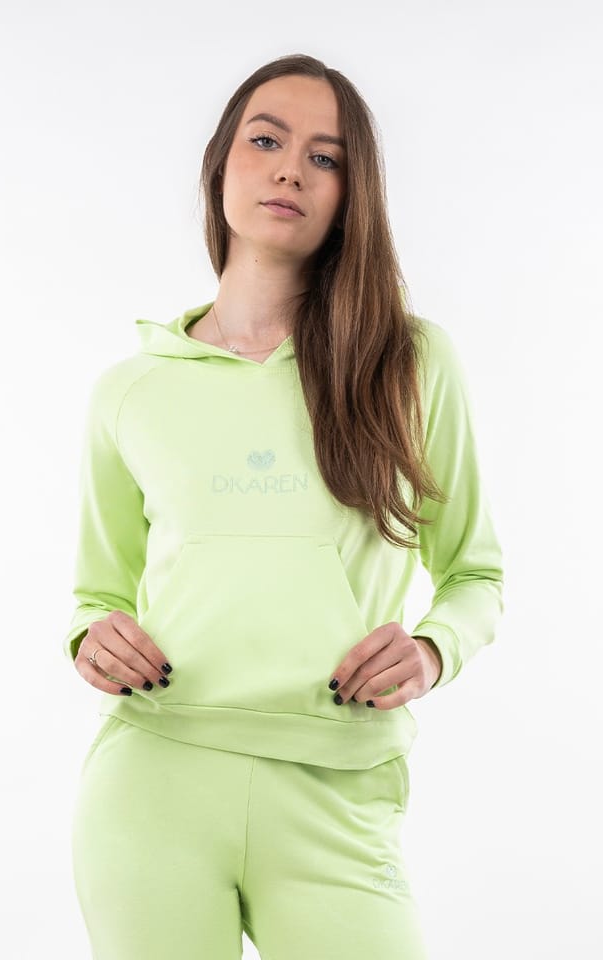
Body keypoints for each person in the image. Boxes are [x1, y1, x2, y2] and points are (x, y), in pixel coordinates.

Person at [63, 52, 504, 960]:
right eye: (266, 141)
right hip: (153, 784)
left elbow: (476, 575)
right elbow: (97, 594)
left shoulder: (410, 365)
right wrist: (89, 639)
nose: (291, 170)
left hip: (337, 790)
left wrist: (432, 650)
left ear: (351, 193)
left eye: (325, 156)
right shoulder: (130, 391)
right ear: (221, 164)